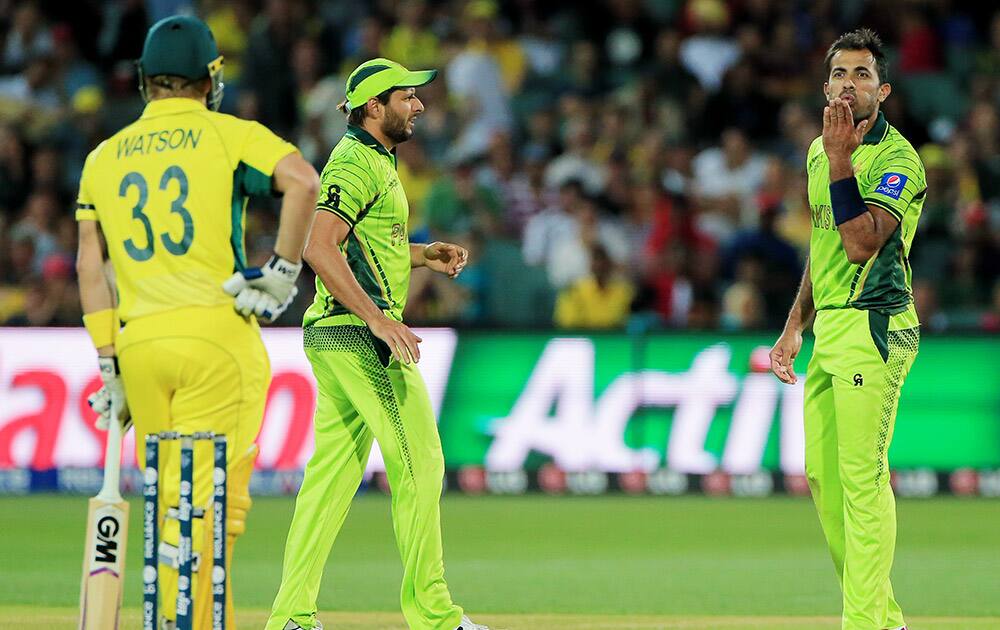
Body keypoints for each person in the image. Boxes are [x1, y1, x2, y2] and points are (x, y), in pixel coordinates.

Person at [75, 16, 318, 629]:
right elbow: (302, 182)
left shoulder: (103, 157)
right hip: (217, 341)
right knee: (206, 525)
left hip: (140, 350)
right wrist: (283, 271)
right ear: (211, 78)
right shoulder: (228, 133)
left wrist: (109, 362)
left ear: (142, 80)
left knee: (170, 521)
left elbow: (88, 262)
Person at [266, 58, 487, 630]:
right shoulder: (356, 162)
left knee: (331, 480)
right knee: (421, 464)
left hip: (336, 333)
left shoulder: (377, 162)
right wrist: (380, 322)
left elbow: (363, 244)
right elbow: (319, 246)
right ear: (374, 106)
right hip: (359, 336)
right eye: (407, 96)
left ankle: (291, 616)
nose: (419, 105)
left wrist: (422, 254)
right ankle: (435, 618)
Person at [768, 29, 925, 630]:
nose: (848, 85)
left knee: (862, 480)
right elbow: (825, 244)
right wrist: (793, 327)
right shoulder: (817, 151)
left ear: (881, 91)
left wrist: (840, 159)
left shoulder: (897, 160)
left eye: (862, 75)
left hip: (876, 326)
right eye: (839, 74)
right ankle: (883, 619)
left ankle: (865, 625)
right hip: (829, 329)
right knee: (824, 481)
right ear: (825, 84)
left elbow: (860, 246)